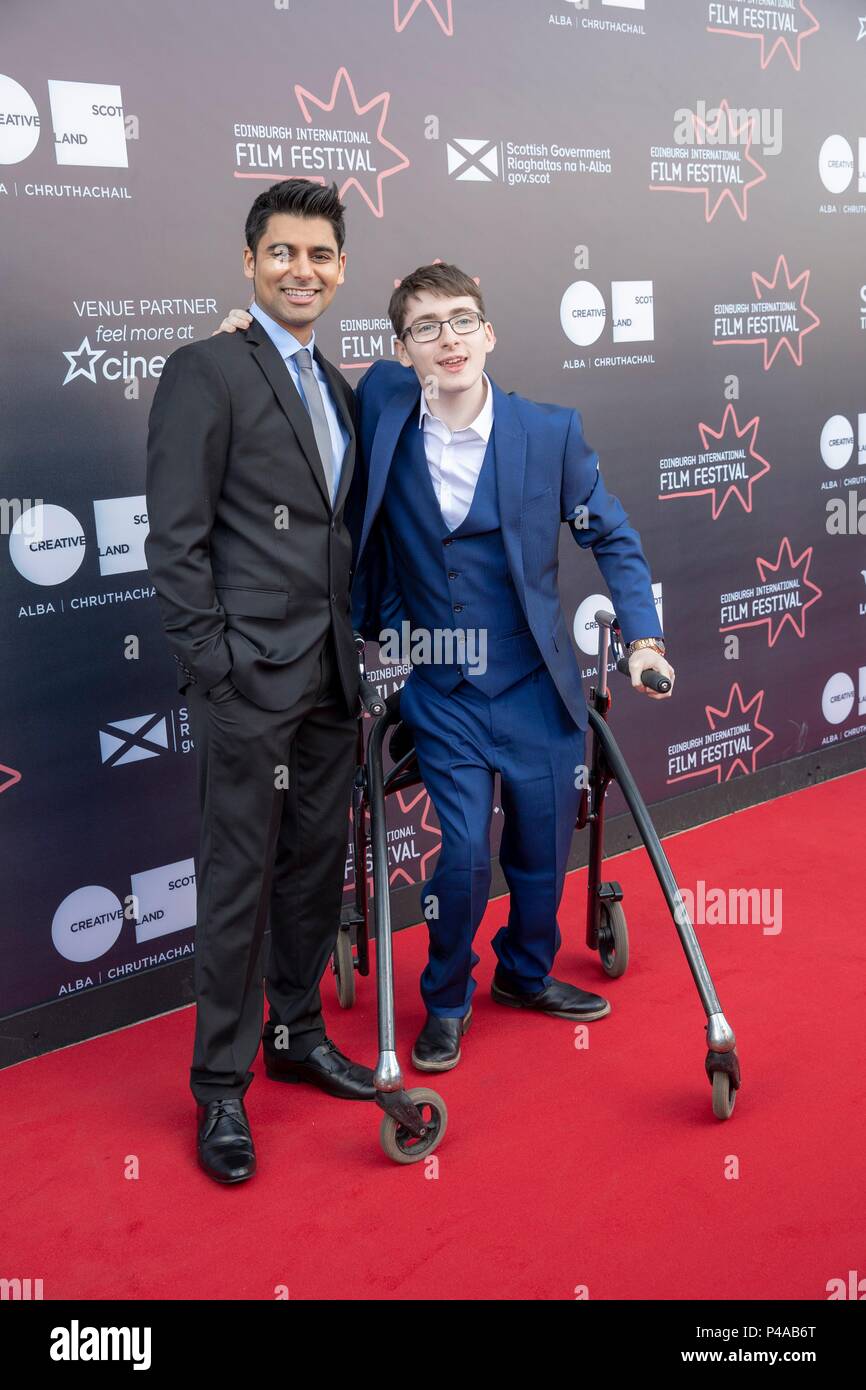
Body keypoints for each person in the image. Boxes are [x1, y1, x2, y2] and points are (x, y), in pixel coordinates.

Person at [217, 262, 675, 1076]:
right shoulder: (385, 407)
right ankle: (449, 1001)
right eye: (427, 328)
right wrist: (247, 346)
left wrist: (644, 639)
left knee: (540, 854)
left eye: (463, 321)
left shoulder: (550, 431)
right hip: (442, 686)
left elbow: (613, 535)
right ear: (403, 349)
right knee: (461, 856)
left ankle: (526, 977)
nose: (449, 339)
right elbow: (306, 385)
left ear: (490, 333)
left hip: (537, 683)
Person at [145, 179, 375, 1186]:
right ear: (250, 262)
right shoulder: (206, 369)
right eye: (282, 253)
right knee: (236, 882)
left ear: (339, 269)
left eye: (319, 255)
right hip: (248, 686)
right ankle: (221, 1087)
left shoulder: (337, 386)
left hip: (329, 681)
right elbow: (176, 539)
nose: (302, 270)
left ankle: (294, 1034)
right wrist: (216, 671)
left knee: (310, 873)